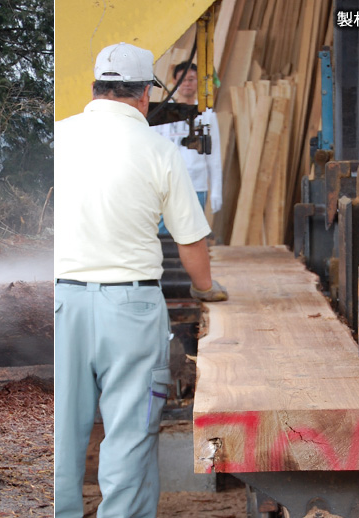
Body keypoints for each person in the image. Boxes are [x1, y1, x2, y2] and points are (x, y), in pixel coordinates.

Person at [54, 43, 228, 517]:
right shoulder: (159, 150)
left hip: (62, 305)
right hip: (130, 312)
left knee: (61, 437)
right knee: (129, 439)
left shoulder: (57, 137)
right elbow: (191, 244)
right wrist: (204, 287)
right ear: (145, 97)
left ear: (94, 89)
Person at [154, 61, 222, 233]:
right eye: (182, 79)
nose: (187, 83)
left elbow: (214, 156)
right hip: (168, 185)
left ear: (198, 82)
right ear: (175, 82)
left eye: (191, 79)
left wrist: (216, 190)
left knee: (191, 233)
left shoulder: (206, 115)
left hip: (196, 185)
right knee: (163, 232)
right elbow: (154, 151)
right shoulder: (163, 114)